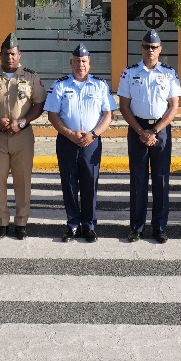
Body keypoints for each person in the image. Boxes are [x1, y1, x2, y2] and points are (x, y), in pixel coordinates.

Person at [0, 33, 45, 240]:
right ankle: (1, 221)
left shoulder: (30, 77)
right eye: (5, 54)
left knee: (23, 180)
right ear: (0, 55)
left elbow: (39, 104)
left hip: (22, 135)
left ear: (19, 55)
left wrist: (22, 122)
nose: (9, 57)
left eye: (13, 54)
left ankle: (21, 222)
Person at [117, 29, 181, 243]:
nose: (150, 50)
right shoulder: (129, 72)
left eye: (154, 47)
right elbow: (124, 106)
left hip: (160, 130)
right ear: (141, 48)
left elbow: (174, 107)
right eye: (146, 46)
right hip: (137, 129)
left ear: (160, 50)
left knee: (161, 180)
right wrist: (140, 131)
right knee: (138, 180)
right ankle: (136, 227)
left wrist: (154, 131)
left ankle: (160, 227)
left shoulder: (169, 73)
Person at [46, 43, 114, 243]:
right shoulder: (60, 85)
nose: (80, 65)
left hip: (91, 142)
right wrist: (69, 133)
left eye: (84, 61)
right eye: (77, 61)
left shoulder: (100, 85)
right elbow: (52, 114)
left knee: (90, 184)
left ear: (89, 64)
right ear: (71, 63)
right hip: (67, 141)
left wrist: (93, 134)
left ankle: (89, 225)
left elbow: (108, 115)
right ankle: (72, 224)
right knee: (69, 184)